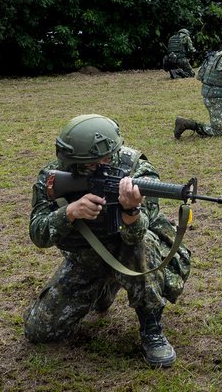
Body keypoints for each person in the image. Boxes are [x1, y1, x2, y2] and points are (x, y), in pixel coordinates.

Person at [24, 114, 192, 367]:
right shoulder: (53, 177)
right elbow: (38, 234)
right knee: (40, 332)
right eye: (91, 164)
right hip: (87, 258)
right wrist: (68, 213)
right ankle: (104, 285)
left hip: (132, 254)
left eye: (105, 159)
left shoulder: (137, 170)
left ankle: (152, 328)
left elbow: (136, 237)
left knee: (141, 244)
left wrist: (130, 212)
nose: (101, 165)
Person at [174, 25, 222, 138]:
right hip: (216, 96)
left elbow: (200, 75)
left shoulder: (221, 52)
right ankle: (187, 124)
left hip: (217, 93)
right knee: (218, 131)